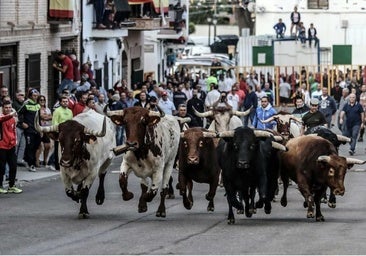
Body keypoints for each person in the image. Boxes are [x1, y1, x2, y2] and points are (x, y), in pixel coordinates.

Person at [0, 101, 22, 194]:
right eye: (6, 107)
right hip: (1, 146)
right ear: (2, 108)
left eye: (9, 107)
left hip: (11, 146)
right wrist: (13, 114)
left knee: (13, 166)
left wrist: (15, 141)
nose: (8, 109)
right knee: (1, 167)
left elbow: (13, 131)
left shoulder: (13, 119)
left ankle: (11, 186)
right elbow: (4, 118)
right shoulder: (1, 116)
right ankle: (0, 186)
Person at [18, 89, 41, 172]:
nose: (36, 97)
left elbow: (39, 118)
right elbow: (18, 113)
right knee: (30, 147)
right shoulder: (26, 103)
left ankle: (32, 162)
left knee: (36, 146)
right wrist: (22, 123)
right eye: (34, 95)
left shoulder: (38, 105)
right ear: (30, 96)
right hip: (29, 130)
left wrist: (40, 129)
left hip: (37, 129)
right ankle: (31, 164)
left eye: (37, 95)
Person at [52, 96, 73, 171]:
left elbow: (71, 122)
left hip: (69, 134)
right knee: (58, 149)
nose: (65, 103)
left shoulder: (70, 111)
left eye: (66, 101)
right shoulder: (57, 111)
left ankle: (66, 164)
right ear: (60, 102)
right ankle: (57, 166)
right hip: (60, 133)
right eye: (63, 101)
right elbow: (55, 122)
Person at [35, 95, 52, 168]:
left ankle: (45, 161)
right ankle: (37, 161)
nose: (42, 101)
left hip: (47, 129)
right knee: (39, 146)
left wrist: (46, 117)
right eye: (40, 100)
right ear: (38, 101)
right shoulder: (37, 109)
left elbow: (51, 116)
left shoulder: (47, 109)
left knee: (47, 146)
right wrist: (46, 117)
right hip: (39, 129)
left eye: (43, 100)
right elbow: (41, 117)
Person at [12, 90, 26, 166]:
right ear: (16, 96)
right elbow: (15, 115)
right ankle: (14, 159)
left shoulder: (24, 104)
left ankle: (19, 160)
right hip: (18, 126)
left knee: (23, 144)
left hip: (24, 127)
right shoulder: (14, 104)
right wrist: (21, 123)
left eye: (23, 95)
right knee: (16, 144)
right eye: (20, 95)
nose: (22, 97)